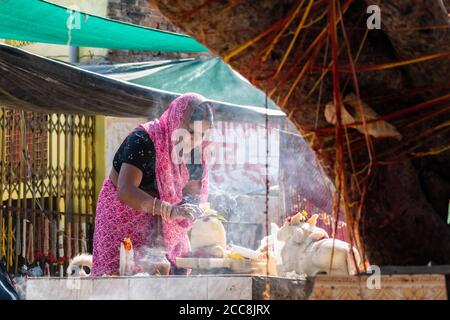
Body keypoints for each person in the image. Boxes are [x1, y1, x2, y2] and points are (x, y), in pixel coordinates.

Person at [92, 93, 214, 276]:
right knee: (121, 280)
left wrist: (191, 208)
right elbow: (125, 190)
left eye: (201, 134)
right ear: (176, 119)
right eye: (190, 132)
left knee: (166, 279)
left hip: (159, 224)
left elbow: (191, 192)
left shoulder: (195, 153)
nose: (194, 140)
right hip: (123, 217)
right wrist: (169, 210)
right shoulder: (143, 139)